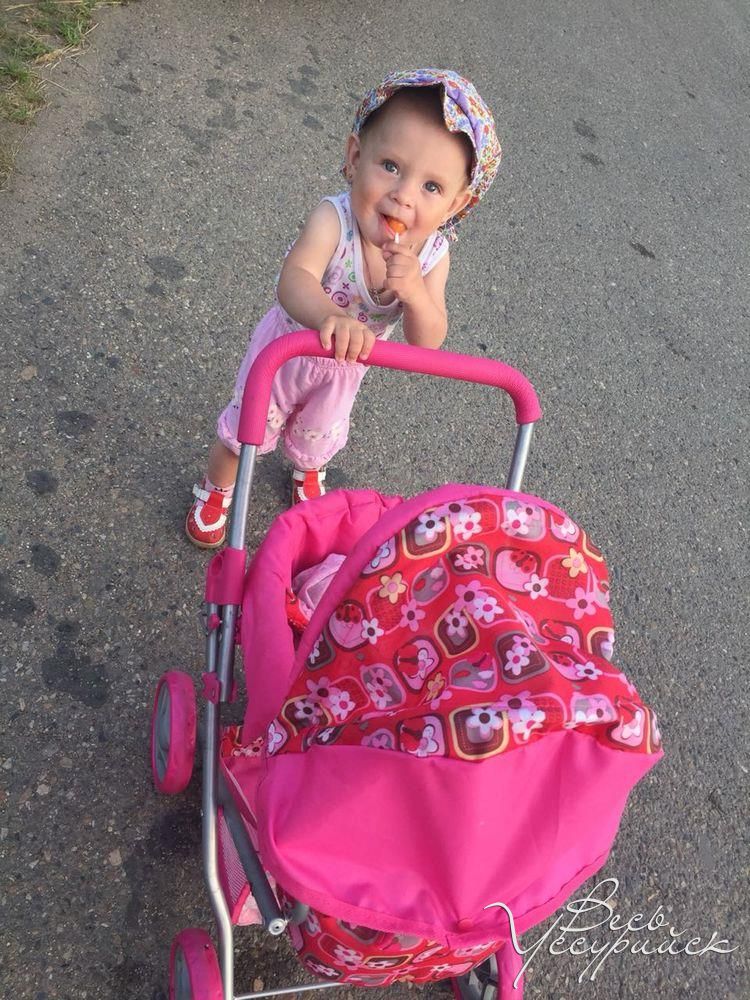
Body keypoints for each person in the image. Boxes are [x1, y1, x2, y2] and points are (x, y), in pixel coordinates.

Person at [186, 68, 501, 548]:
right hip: (288, 351)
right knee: (244, 430)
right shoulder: (333, 219)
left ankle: (306, 469)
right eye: (391, 166)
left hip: (346, 370)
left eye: (432, 188)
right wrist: (328, 317)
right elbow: (295, 278)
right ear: (355, 158)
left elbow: (428, 340)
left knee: (319, 434)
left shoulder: (433, 256)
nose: (403, 195)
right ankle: (217, 487)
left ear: (456, 204)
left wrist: (416, 295)